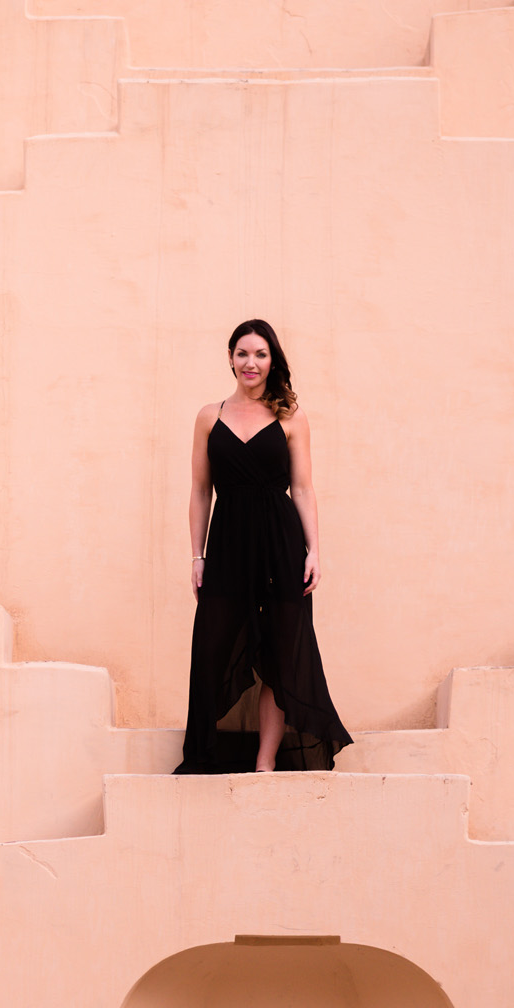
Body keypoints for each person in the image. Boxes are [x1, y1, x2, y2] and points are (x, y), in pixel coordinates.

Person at [174, 319, 352, 774]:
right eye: (242, 353)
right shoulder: (208, 417)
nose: (250, 363)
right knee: (212, 646)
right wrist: (198, 556)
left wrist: (313, 551)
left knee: (279, 650)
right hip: (229, 545)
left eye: (260, 354)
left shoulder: (291, 416)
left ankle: (265, 762)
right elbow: (199, 491)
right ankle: (203, 752)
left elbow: (304, 489)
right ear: (230, 358)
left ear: (273, 361)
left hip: (280, 545)